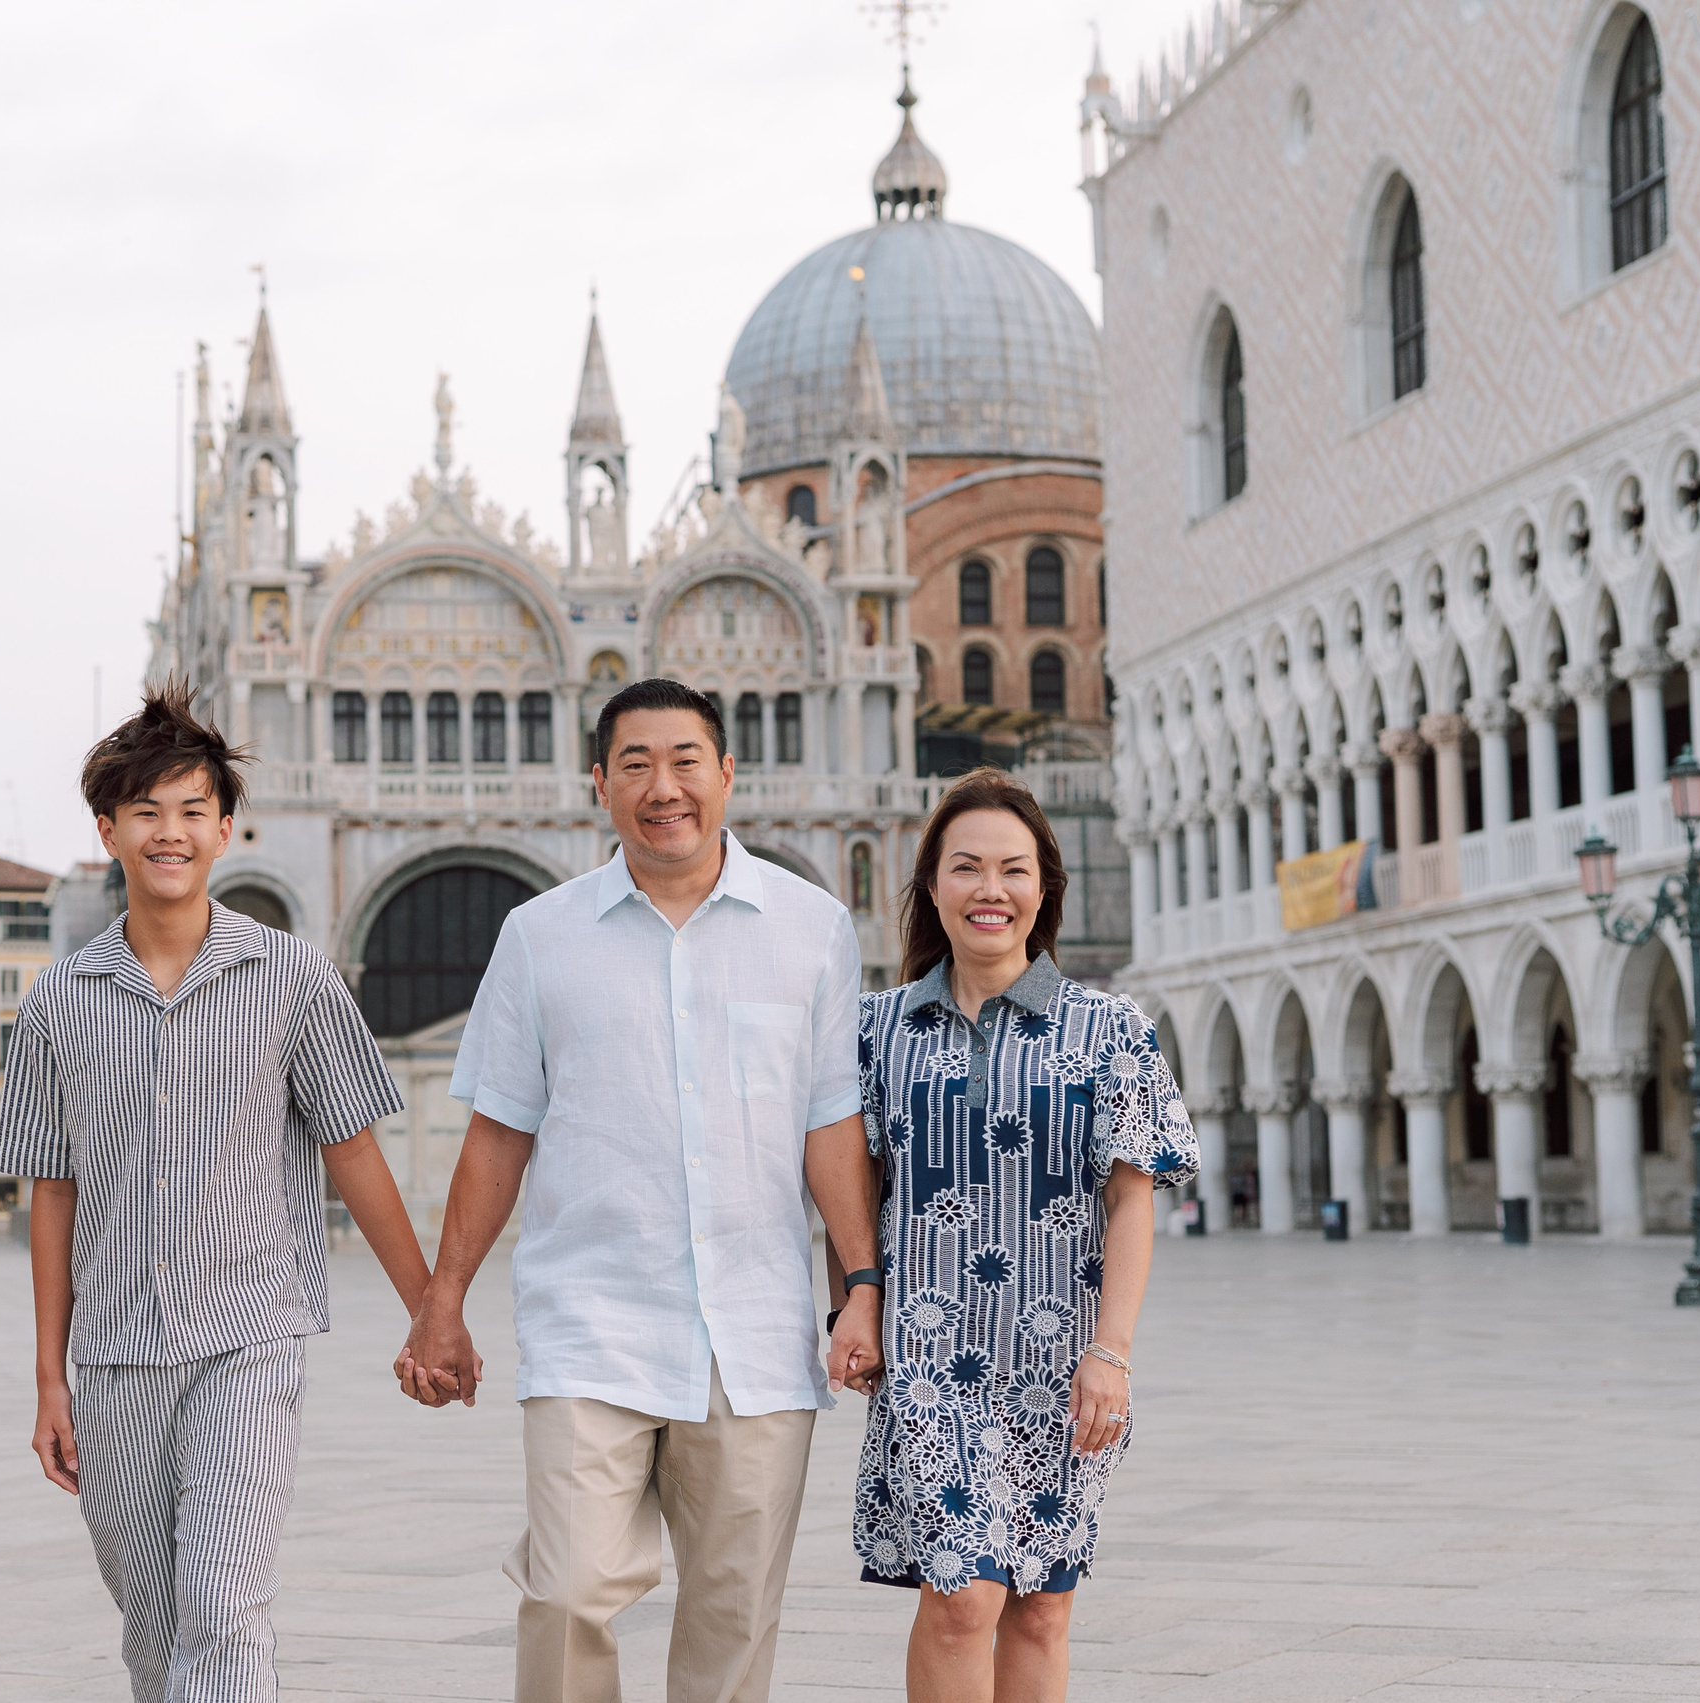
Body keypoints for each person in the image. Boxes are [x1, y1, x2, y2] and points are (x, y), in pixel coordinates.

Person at [398, 676, 883, 1703]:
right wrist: (442, 1302)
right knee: (569, 1589)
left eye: (684, 760)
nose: (663, 787)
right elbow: (496, 1134)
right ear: (599, 784)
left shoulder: (812, 927)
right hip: (590, 1320)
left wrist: (861, 1282)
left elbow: (830, 1122)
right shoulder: (539, 934)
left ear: (727, 774)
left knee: (733, 1611)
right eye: (635, 765)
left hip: (752, 1328)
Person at [0, 682, 434, 1703]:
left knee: (225, 1610)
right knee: (153, 1628)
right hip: (111, 1356)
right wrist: (49, 1378)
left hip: (250, 1336)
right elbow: (50, 1192)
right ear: (107, 830)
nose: (170, 831)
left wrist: (429, 1306)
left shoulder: (292, 974)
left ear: (226, 827)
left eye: (192, 809)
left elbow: (353, 1151)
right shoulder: (59, 1000)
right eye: (145, 811)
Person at [852, 768, 1196, 1701]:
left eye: (1012, 869)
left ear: (1044, 886)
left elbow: (1134, 1198)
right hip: (927, 1353)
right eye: (966, 867)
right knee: (961, 1597)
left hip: (1064, 1362)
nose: (989, 889)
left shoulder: (1111, 1028)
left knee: (1042, 1606)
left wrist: (1112, 1353)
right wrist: (856, 1295)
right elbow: (847, 1182)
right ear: (931, 885)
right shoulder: (876, 1031)